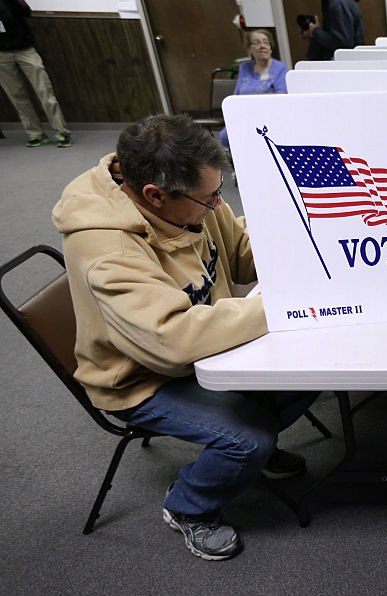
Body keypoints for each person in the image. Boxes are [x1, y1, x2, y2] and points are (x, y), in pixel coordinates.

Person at [53, 114, 319, 561]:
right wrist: (282, 308)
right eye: (210, 197)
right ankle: (189, 507)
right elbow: (172, 339)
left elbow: (240, 255)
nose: (220, 205)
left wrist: (310, 244)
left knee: (312, 369)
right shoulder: (108, 250)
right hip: (140, 378)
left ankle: (252, 448)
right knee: (247, 440)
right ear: (155, 195)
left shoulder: (190, 200)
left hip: (201, 348)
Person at [0, 0, 71, 147]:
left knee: (44, 90)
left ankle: (61, 131)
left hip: (25, 49)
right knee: (16, 95)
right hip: (1, 54)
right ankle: (35, 134)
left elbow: (26, 12)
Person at [219, 29, 288, 149]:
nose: (262, 46)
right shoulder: (244, 68)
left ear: (271, 48)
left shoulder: (279, 68)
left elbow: (281, 96)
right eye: (256, 42)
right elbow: (236, 95)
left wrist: (252, 102)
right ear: (249, 49)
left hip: (268, 115)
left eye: (266, 42)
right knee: (225, 136)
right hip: (244, 115)